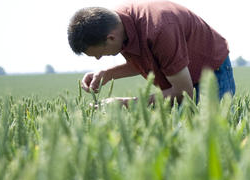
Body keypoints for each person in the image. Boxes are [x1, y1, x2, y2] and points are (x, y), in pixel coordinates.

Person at [67, 0, 235, 106]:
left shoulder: (159, 29)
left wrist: (125, 104)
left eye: (100, 54)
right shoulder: (117, 23)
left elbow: (184, 93)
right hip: (181, 78)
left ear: (110, 38)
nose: (99, 58)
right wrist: (107, 74)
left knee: (214, 138)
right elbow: (151, 61)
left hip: (211, 73)